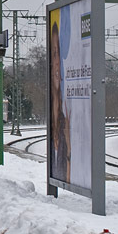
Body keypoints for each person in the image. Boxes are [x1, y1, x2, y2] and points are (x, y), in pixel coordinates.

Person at [50, 20, 71, 182]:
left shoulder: (66, 114)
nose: (56, 62)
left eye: (58, 53)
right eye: (53, 53)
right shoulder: (54, 113)